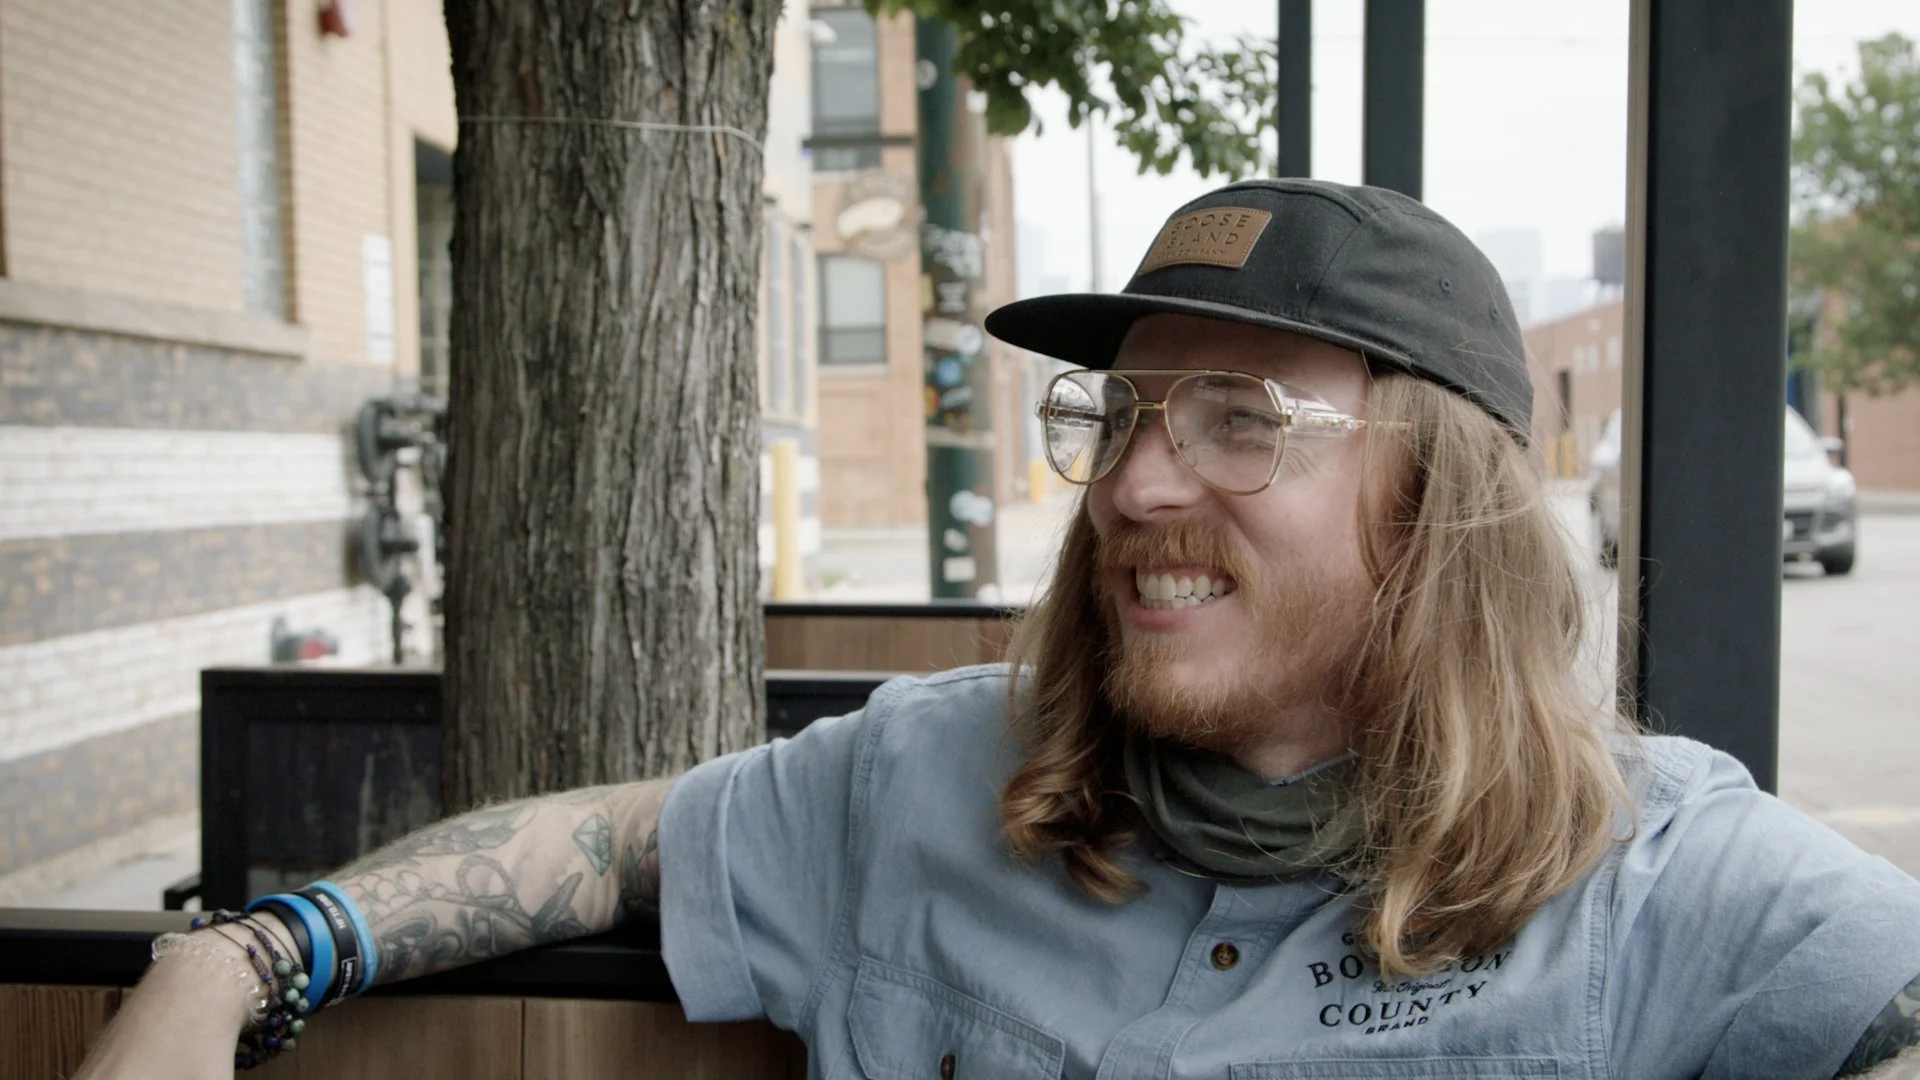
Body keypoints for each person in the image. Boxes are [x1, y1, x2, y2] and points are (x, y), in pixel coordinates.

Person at [77, 179, 1920, 1079]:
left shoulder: (1657, 882)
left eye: (1238, 423)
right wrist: (242, 963)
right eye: (1119, 416)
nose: (1131, 489)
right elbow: (616, 838)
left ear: (1440, 504)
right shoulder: (939, 772)